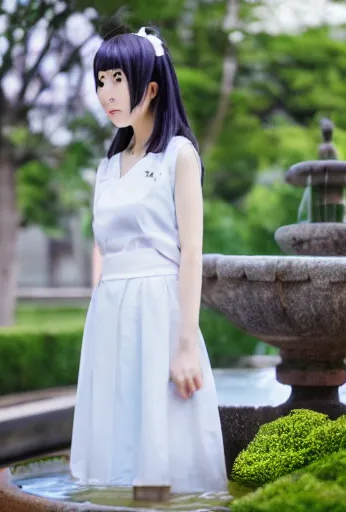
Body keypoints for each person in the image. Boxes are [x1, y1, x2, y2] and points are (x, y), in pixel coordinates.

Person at [70, 26, 228, 494]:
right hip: (109, 312)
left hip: (159, 311)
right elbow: (105, 250)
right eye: (101, 81)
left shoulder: (179, 155)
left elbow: (192, 252)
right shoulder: (106, 167)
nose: (106, 94)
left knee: (162, 448)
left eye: (117, 79)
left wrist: (184, 344)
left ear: (151, 87)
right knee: (114, 450)